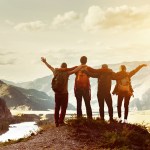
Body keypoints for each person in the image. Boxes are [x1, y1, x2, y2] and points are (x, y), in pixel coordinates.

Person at [41, 57, 83, 127]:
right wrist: (82, 65)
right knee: (63, 108)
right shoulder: (67, 73)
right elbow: (76, 69)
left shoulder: (56, 72)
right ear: (66, 67)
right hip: (64, 93)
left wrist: (45, 62)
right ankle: (61, 121)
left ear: (60, 67)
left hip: (57, 93)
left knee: (57, 107)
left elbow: (50, 67)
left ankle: (56, 122)